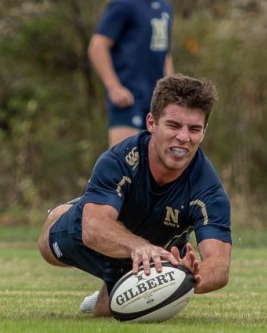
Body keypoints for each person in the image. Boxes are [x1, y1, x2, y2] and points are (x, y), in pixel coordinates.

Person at [38, 74, 232, 317]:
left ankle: (110, 288)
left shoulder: (209, 190)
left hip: (158, 253)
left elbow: (220, 264)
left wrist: (190, 277)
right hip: (101, 231)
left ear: (204, 132)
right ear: (152, 123)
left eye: (194, 129)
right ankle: (77, 206)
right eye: (173, 125)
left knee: (112, 314)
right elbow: (92, 227)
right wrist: (139, 246)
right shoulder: (119, 160)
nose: (183, 137)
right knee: (47, 246)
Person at [88, 0, 174, 148]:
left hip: (156, 100)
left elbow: (165, 53)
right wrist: (114, 87)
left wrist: (171, 91)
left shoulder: (165, 6)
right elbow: (97, 46)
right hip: (129, 99)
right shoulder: (124, 3)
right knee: (124, 165)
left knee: (154, 169)